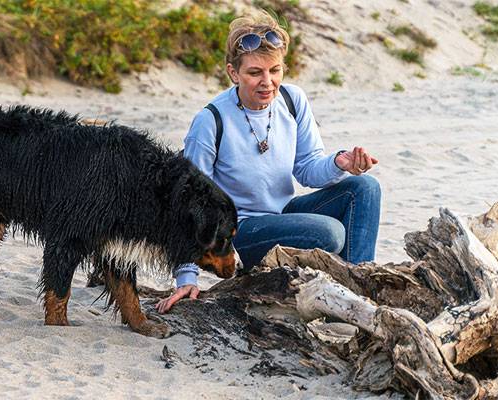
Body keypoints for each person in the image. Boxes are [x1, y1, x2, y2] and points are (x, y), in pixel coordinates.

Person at [156, 12, 381, 313]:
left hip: (283, 212)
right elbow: (189, 203)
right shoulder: (210, 121)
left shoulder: (292, 100)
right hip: (241, 231)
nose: (268, 82)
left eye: (275, 70)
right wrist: (186, 276)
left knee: (364, 187)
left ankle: (357, 292)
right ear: (233, 73)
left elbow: (307, 168)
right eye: (255, 73)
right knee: (330, 233)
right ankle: (347, 300)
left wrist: (340, 163)